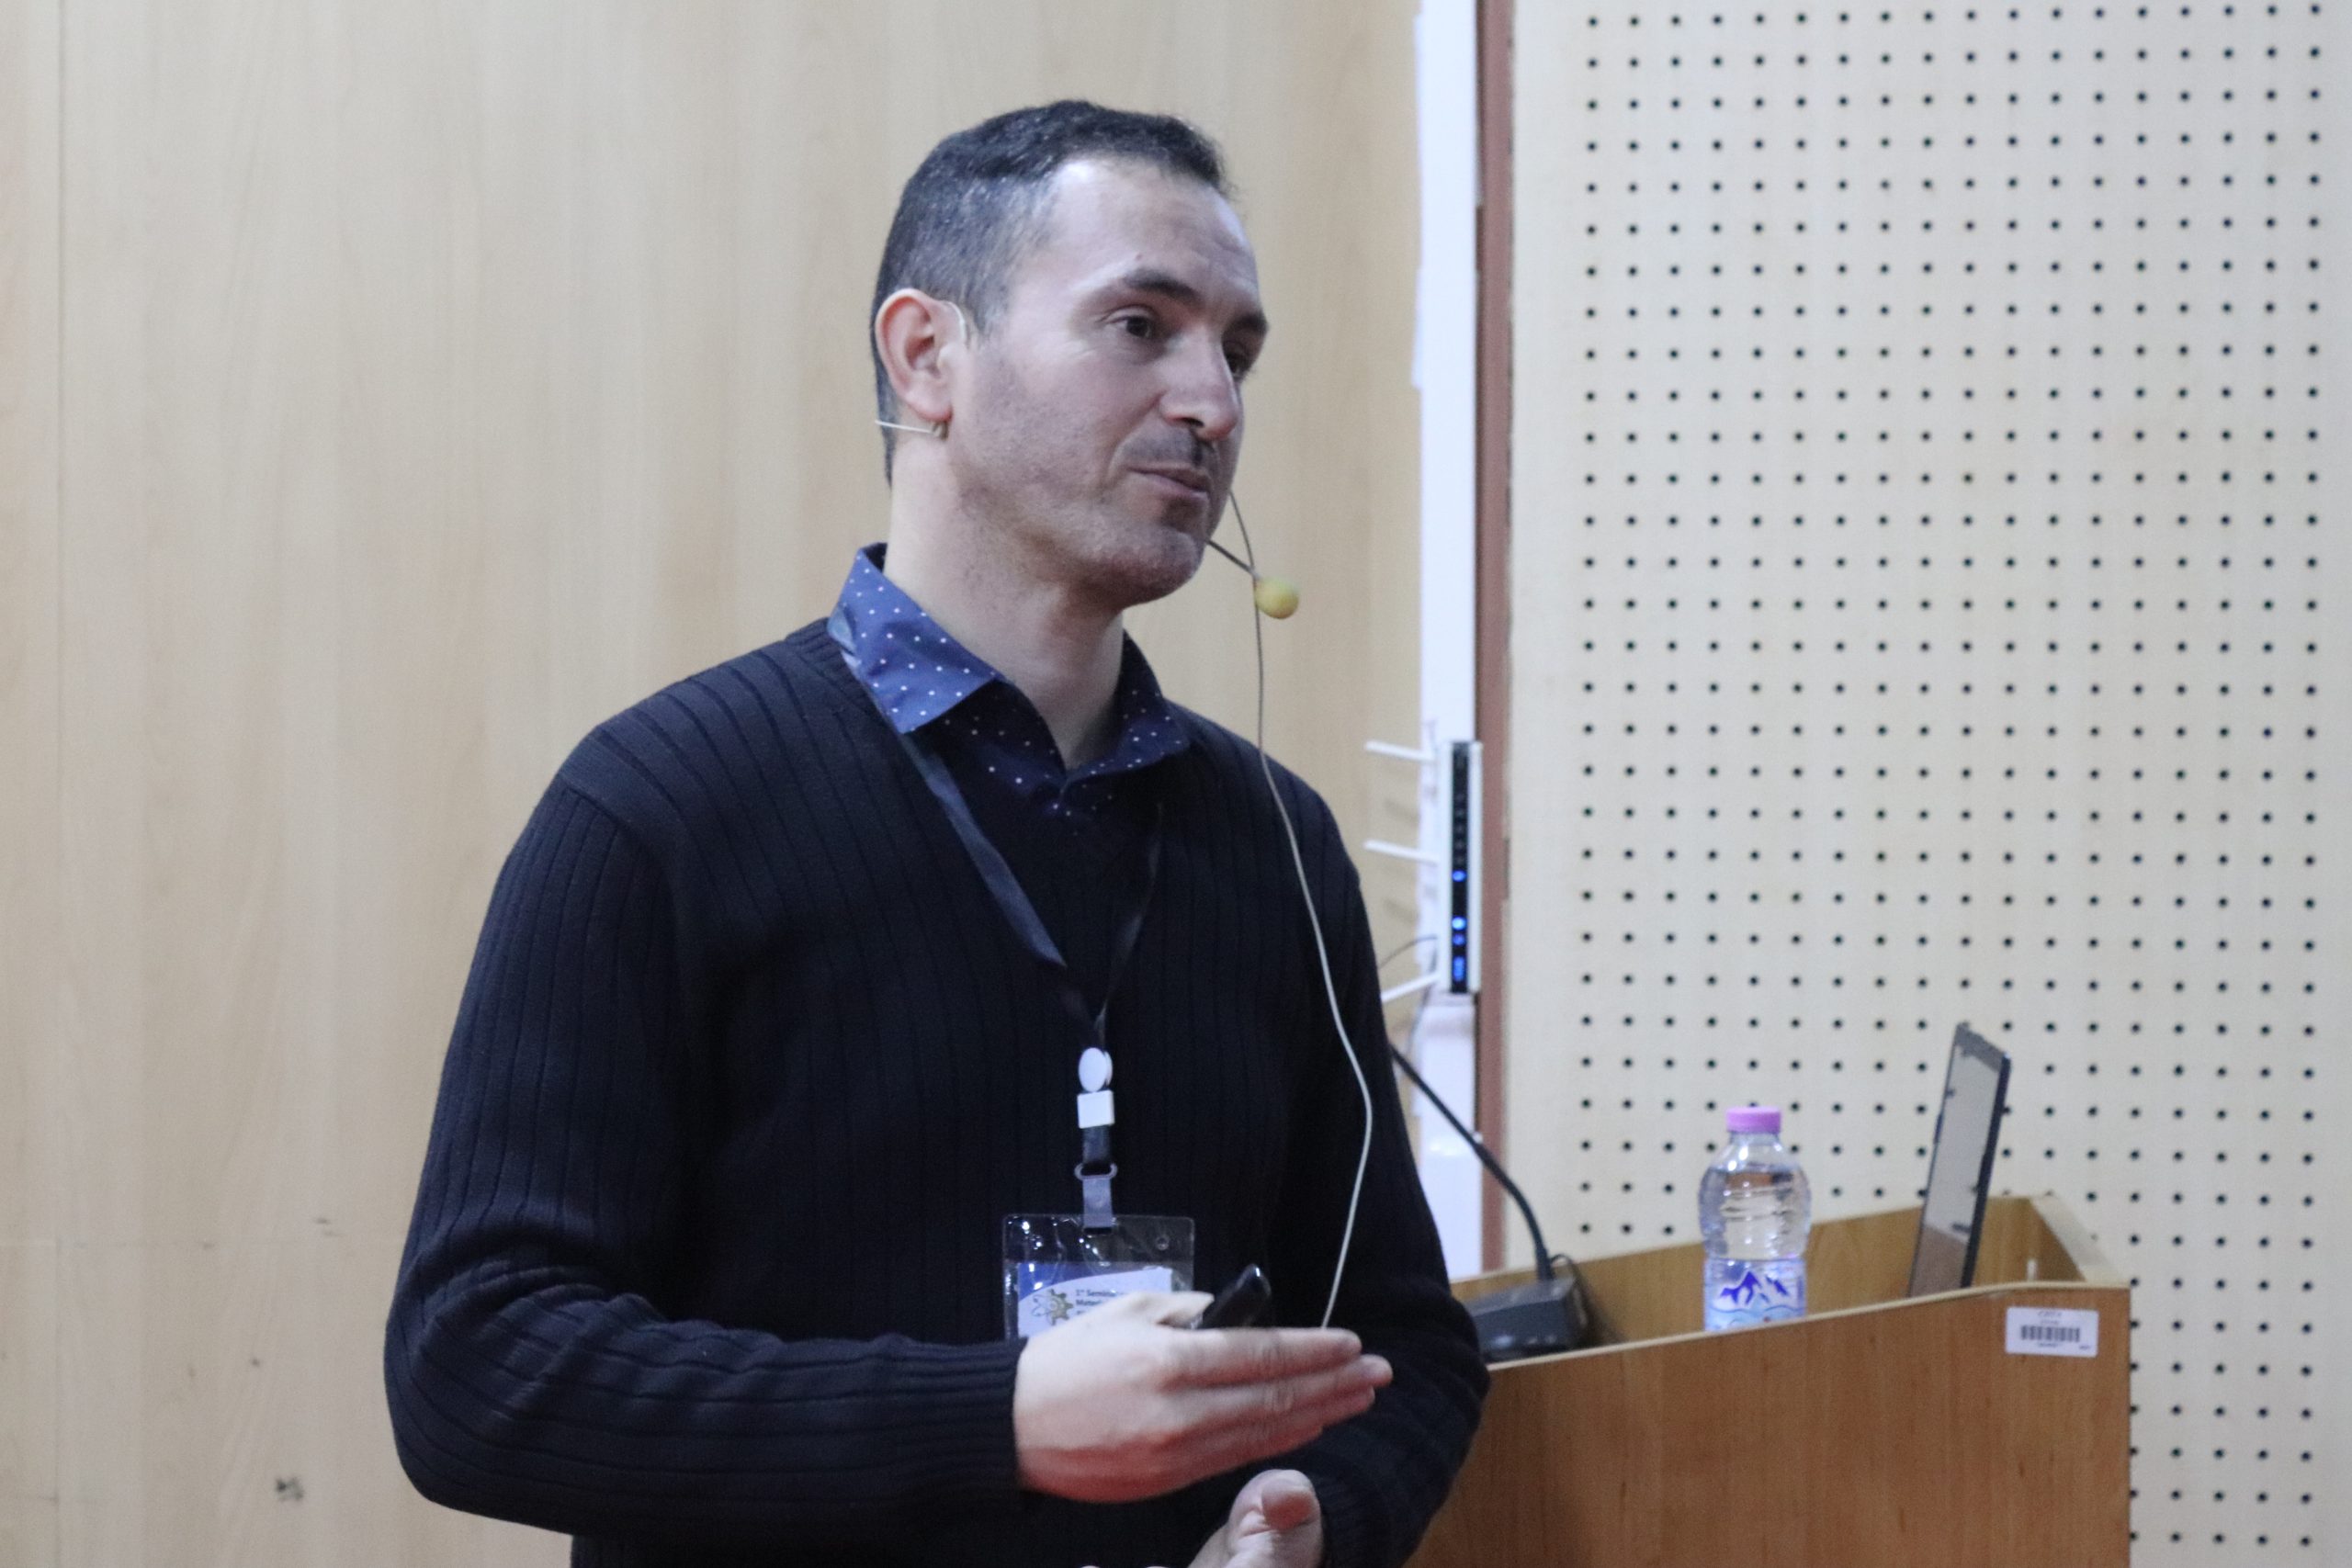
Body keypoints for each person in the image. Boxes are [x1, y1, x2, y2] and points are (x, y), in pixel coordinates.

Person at [384, 100, 1486, 1568]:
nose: (1213, 403)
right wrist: (998, 1421)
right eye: (1141, 326)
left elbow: (1406, 1341)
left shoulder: (1274, 841)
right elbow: (478, 1366)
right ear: (927, 357)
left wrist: (1315, 1522)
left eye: (1237, 349)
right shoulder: (659, 806)